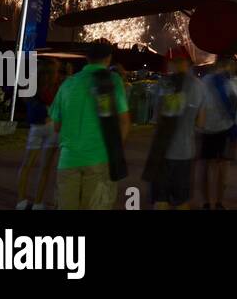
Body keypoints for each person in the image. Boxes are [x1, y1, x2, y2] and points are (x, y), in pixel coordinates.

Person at [48, 40, 130, 210]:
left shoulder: (68, 84)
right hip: (99, 159)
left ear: (87, 58)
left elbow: (56, 125)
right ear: (109, 58)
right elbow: (124, 120)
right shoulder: (113, 80)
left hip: (68, 160)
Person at [143, 46, 205, 209]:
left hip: (162, 150)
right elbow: (201, 122)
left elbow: (155, 118)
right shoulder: (198, 86)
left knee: (160, 199)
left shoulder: (163, 84)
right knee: (182, 200)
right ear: (188, 62)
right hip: (184, 151)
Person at [199, 56, 237, 210]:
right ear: (227, 65)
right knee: (221, 168)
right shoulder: (231, 81)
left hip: (206, 128)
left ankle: (206, 202)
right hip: (224, 128)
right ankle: (219, 202)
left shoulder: (206, 80)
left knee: (205, 166)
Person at [16, 58, 62, 210]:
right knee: (45, 168)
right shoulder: (55, 87)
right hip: (51, 128)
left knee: (26, 165)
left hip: (36, 127)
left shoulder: (33, 85)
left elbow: (24, 98)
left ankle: (21, 201)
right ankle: (38, 202)